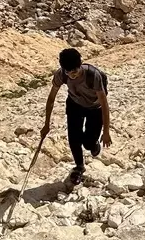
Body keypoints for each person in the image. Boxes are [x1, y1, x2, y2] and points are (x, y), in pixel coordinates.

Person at [40, 48, 111, 184]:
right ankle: (79, 167)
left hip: (94, 108)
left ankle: (93, 145)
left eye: (75, 71)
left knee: (88, 143)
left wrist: (106, 132)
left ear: (80, 65)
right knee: (74, 137)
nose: (72, 75)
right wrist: (46, 124)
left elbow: (104, 103)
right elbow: (51, 98)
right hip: (75, 104)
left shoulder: (93, 75)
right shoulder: (61, 74)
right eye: (68, 72)